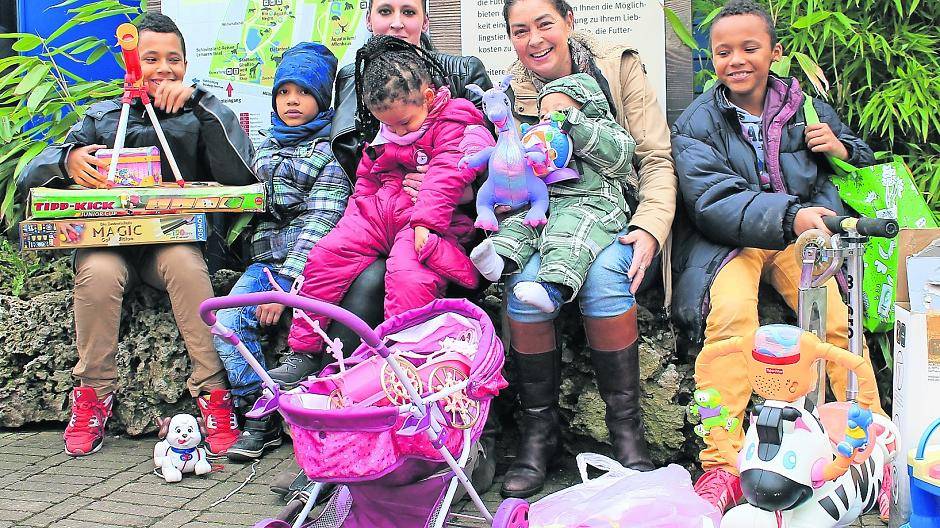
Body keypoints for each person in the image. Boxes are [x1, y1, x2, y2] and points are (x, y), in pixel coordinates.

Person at [669, 0, 883, 514]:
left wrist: (840, 147)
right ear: (712, 58)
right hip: (730, 243)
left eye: (749, 47)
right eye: (723, 52)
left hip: (799, 238)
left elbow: (862, 151)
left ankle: (865, 440)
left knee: (834, 323)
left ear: (775, 51)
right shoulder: (697, 122)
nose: (736, 60)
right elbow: (711, 200)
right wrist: (793, 215)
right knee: (731, 322)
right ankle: (722, 463)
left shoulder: (803, 104)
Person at [17, 13, 257, 457]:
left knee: (185, 263)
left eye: (174, 59)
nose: (163, 69)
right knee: (98, 273)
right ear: (129, 62)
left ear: (187, 65)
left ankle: (213, 392)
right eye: (150, 58)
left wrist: (204, 105)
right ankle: (93, 395)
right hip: (110, 244)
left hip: (172, 245)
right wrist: (66, 161)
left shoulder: (200, 113)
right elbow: (31, 180)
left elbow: (240, 173)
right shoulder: (101, 117)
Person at [497, 0, 677, 499]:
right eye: (519, 30)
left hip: (615, 213)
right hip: (544, 219)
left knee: (603, 279)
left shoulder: (616, 66)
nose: (534, 39)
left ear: (569, 22)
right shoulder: (510, 91)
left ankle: (627, 434)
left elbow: (655, 157)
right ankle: (539, 435)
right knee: (522, 283)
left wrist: (649, 227)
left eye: (544, 24)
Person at [266, 0, 493, 385]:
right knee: (324, 257)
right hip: (379, 214)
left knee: (407, 273)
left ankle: (405, 355)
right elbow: (367, 177)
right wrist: (355, 220)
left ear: (428, 95)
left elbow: (446, 173)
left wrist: (425, 220)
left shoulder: (453, 112)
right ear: (369, 18)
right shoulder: (376, 101)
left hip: (424, 220)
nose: (399, 133)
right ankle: (305, 348)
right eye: (385, 12)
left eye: (408, 12)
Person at [212, 42, 350, 462]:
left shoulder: (331, 151)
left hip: (309, 267)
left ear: (322, 98)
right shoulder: (263, 146)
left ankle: (264, 418)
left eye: (304, 92)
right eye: (284, 92)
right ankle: (262, 409)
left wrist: (286, 284)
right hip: (261, 261)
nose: (293, 101)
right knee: (227, 320)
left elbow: (321, 221)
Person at [471, 73, 638, 315]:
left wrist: (573, 123)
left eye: (559, 108)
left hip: (591, 203)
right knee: (520, 224)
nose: (548, 116)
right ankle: (498, 260)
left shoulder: (603, 128)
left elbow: (620, 159)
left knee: (568, 237)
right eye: (542, 113)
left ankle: (552, 290)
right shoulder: (541, 141)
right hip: (547, 203)